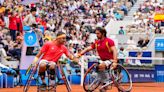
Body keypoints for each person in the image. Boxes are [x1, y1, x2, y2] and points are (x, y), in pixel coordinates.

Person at [77, 27, 118, 92]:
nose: (96, 35)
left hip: (111, 60)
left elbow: (115, 51)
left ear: (103, 33)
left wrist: (115, 61)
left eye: (98, 33)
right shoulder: (96, 42)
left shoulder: (109, 41)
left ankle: (106, 81)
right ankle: (103, 82)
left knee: (101, 65)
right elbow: (88, 48)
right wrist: (80, 54)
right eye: (96, 33)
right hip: (102, 60)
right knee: (96, 66)